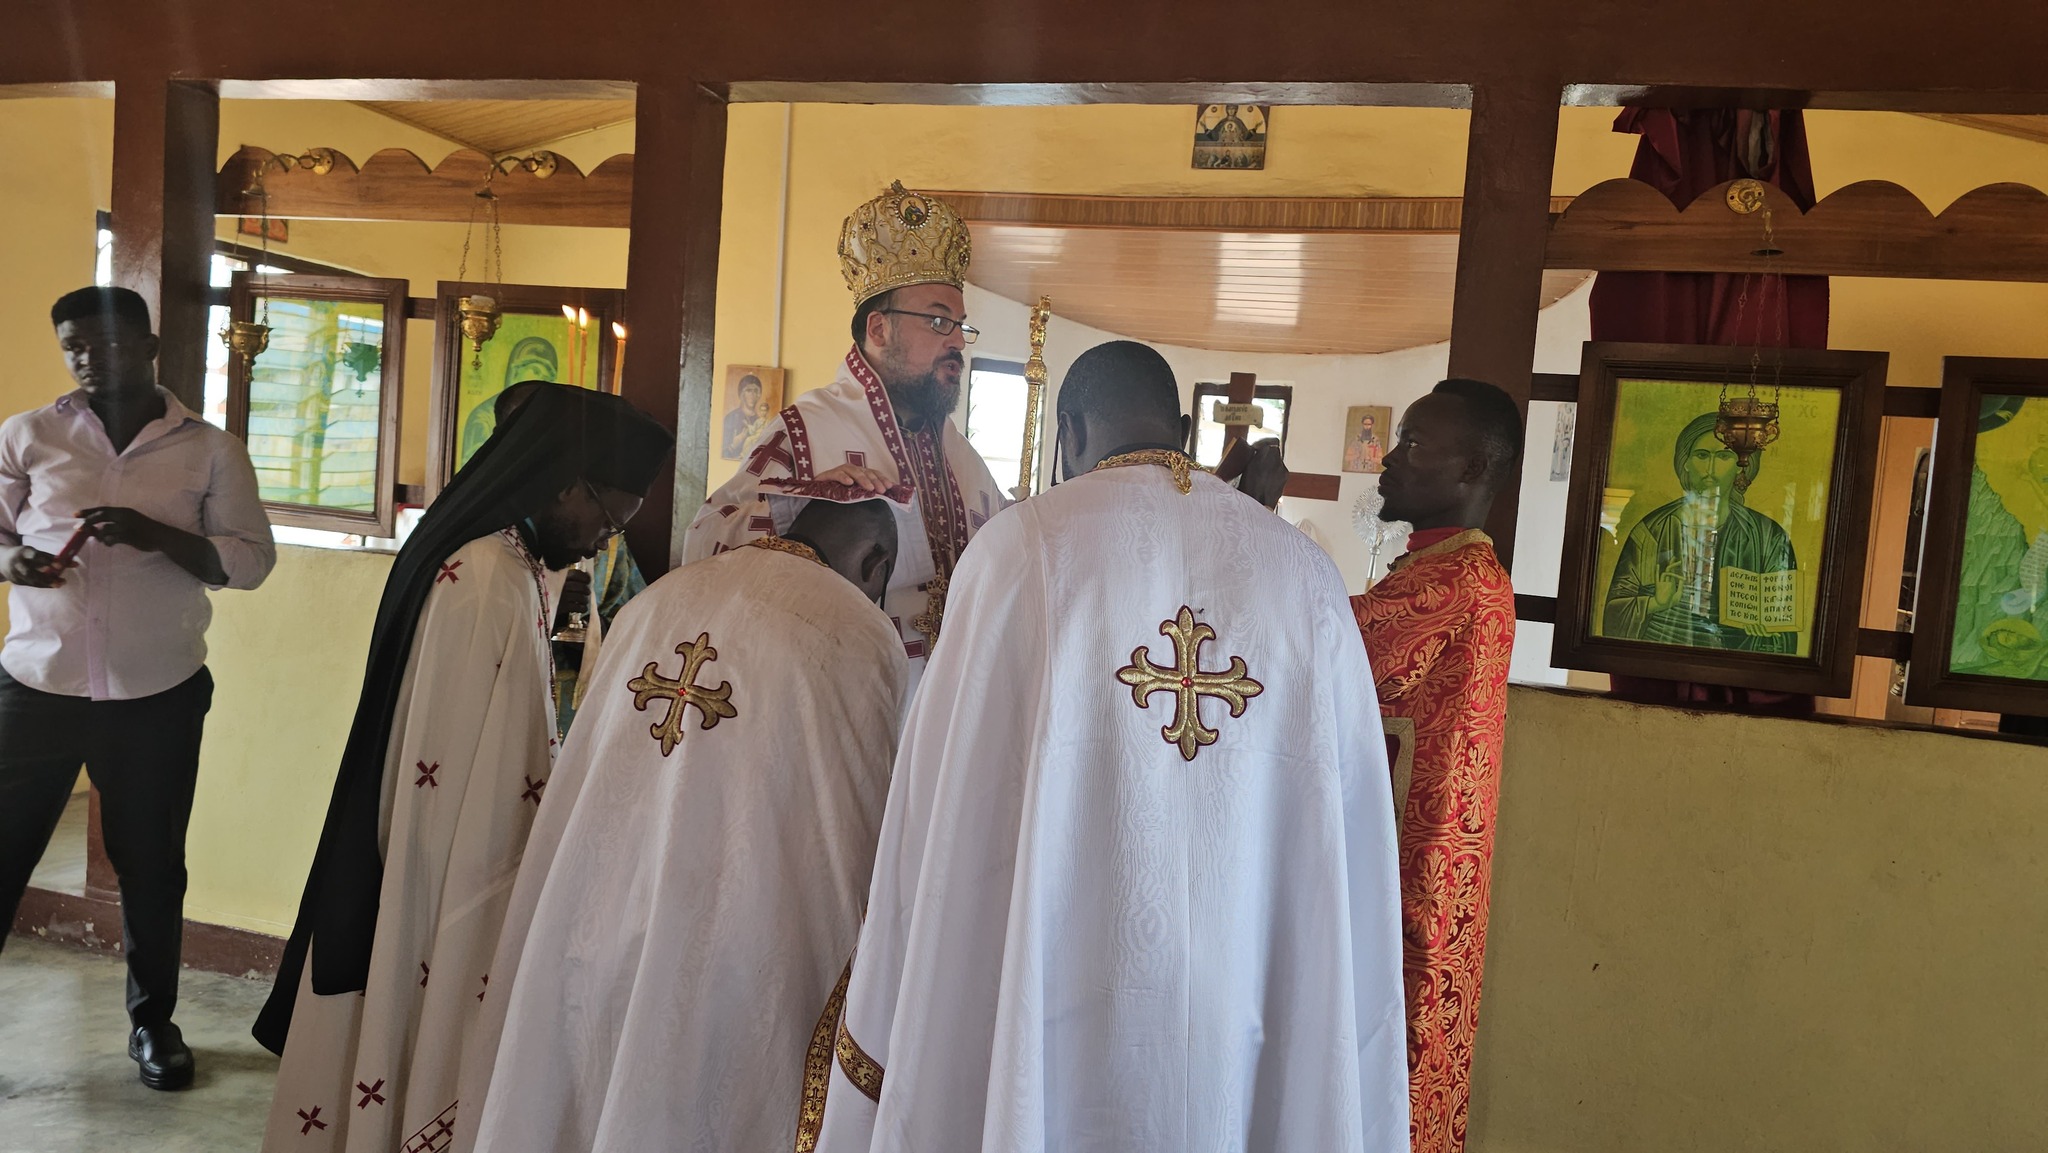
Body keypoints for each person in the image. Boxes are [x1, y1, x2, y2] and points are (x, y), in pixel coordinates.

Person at [813, 341, 1409, 1153]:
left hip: (1056, 993)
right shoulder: (1304, 575)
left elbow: (941, 813)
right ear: (1184, 425)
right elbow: (1348, 845)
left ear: (1069, 429)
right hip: (1245, 1007)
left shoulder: (1021, 551)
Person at [253, 383, 671, 1153]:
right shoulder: (483, 580)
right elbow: (451, 790)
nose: (600, 542)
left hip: (455, 861)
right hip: (450, 880)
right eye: (607, 517)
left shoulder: (510, 563)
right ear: (566, 483)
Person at [461, 494, 905, 1153]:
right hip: (736, 968)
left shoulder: (655, 601)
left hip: (592, 932)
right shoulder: (859, 635)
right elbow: (869, 837)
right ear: (876, 561)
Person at [0, 286, 275, 1090]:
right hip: (35, 683)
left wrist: (160, 534)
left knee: (152, 864)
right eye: (74, 347)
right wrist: (14, 563)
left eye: (108, 343)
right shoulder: (28, 434)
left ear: (150, 345)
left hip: (156, 693)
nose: (90, 359)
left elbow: (252, 561)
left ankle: (154, 1024)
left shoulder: (211, 449)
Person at [685, 181, 1007, 691]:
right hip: (840, 691)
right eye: (938, 321)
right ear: (878, 330)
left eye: (961, 327)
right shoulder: (806, 429)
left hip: (944, 706)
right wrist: (809, 507)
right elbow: (705, 544)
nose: (955, 344)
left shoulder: (962, 457)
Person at [1350, 378, 1521, 1153]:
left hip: (1415, 887)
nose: (1389, 460)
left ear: (1476, 467)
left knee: (1394, 1077)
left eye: (1415, 444)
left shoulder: (1458, 580)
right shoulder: (1439, 567)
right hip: (1413, 874)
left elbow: (1330, 644)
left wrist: (1250, 522)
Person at [492, 380, 650, 741]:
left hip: (576, 718)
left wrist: (589, 625)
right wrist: (547, 609)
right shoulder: (484, 543)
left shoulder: (602, 534)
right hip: (507, 726)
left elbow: (636, 627)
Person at [1602, 412, 1798, 653]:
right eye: (1702, 456)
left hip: (1732, 671)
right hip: (1659, 659)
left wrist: (1764, 629)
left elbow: (1783, 633)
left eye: (1724, 456)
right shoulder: (1652, 529)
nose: (1711, 469)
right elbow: (1613, 616)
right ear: (1686, 461)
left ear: (1741, 466)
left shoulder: (1768, 536)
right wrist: (1655, 603)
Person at [721, 371, 768, 459]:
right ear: (742, 394)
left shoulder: (760, 420)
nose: (752, 395)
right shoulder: (731, 418)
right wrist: (733, 446)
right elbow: (721, 455)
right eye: (748, 390)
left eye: (755, 391)